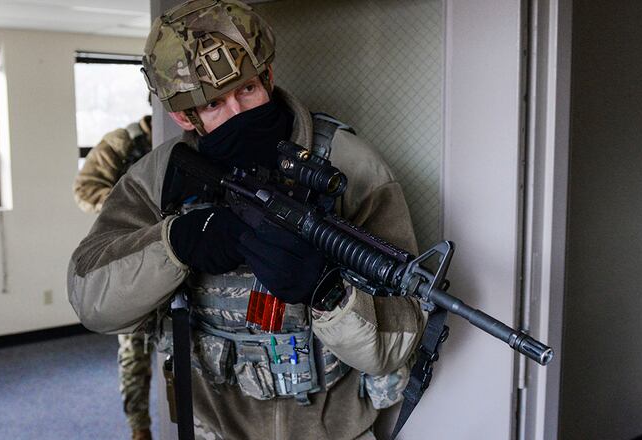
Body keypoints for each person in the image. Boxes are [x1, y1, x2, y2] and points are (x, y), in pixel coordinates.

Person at [67, 1, 427, 439]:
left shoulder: (348, 165)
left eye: (248, 90)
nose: (239, 114)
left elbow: (396, 344)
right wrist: (176, 242)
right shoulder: (161, 177)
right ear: (184, 116)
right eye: (215, 104)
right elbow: (92, 302)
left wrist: (327, 293)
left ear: (269, 80)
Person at [72, 116, 154, 440]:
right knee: (135, 349)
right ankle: (140, 427)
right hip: (130, 258)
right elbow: (85, 188)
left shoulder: (191, 136)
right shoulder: (124, 142)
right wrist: (134, 205)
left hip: (179, 254)